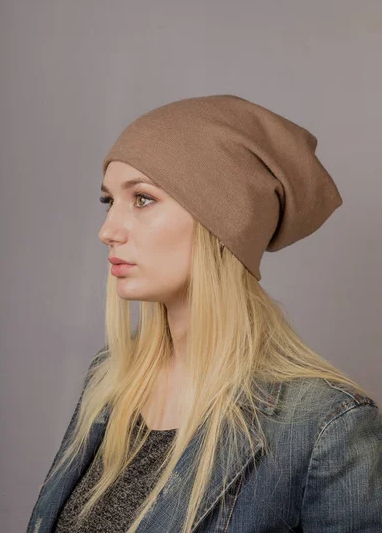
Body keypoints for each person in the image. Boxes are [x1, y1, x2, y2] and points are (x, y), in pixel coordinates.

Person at [27, 95, 382, 533]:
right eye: (109, 201)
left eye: (141, 199)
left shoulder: (323, 429)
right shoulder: (111, 378)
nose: (107, 231)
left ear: (222, 224)